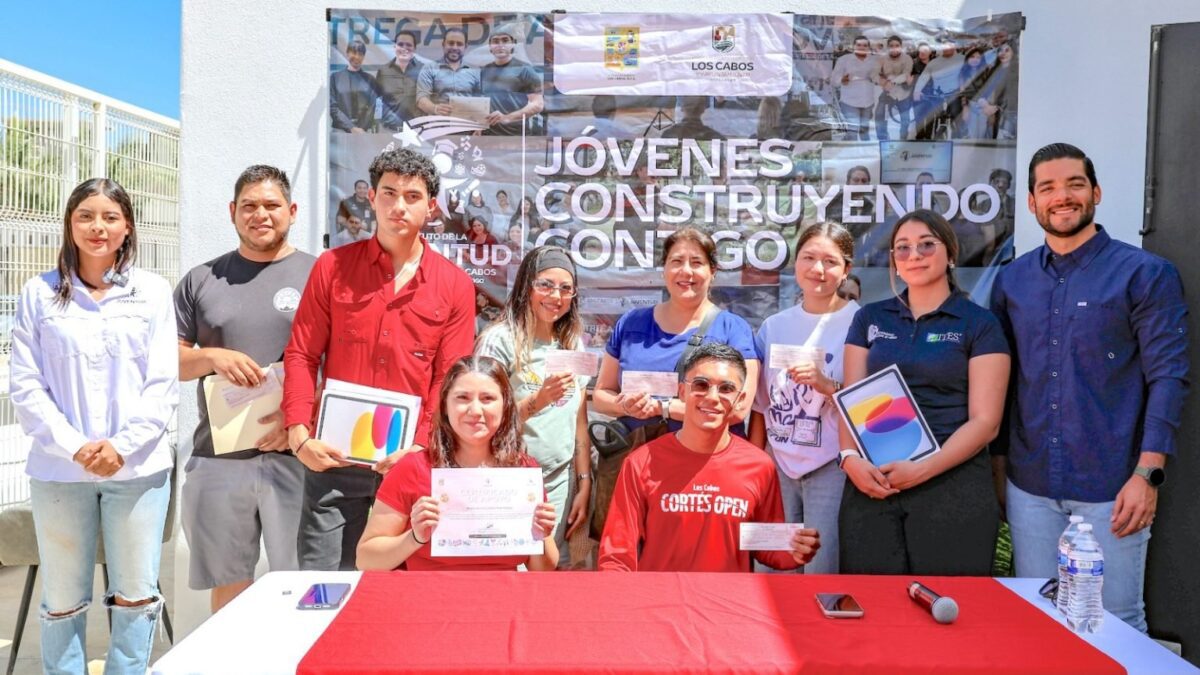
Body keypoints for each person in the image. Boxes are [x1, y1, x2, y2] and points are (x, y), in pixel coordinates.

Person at [990, 143, 1188, 632]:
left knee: (1116, 624)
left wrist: (1148, 473)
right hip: (1030, 487)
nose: (1063, 197)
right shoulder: (1012, 281)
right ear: (1033, 203)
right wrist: (999, 473)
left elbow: (1169, 376)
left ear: (1095, 192)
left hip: (1113, 486)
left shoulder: (1145, 273)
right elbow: (1004, 382)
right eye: (1048, 188)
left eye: (1074, 184)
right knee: (1040, 623)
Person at [9, 178, 177, 673]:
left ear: (127, 227)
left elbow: (162, 381)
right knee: (61, 598)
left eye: (109, 217)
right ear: (69, 224)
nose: (97, 227)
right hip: (60, 472)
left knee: (135, 595)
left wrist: (122, 447)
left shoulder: (152, 292)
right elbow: (26, 383)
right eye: (85, 215)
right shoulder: (38, 294)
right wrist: (76, 446)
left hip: (138, 469)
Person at [283, 148, 476, 571]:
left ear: (431, 207)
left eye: (411, 196)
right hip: (331, 459)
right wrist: (298, 436)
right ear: (371, 198)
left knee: (402, 597)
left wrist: (421, 445)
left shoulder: (455, 286)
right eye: (388, 193)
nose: (399, 206)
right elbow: (301, 353)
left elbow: (448, 379)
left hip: (409, 467)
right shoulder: (332, 268)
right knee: (321, 590)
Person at [838, 208, 1010, 575]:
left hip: (952, 486)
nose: (914, 255)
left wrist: (923, 469)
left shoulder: (980, 324)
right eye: (903, 248)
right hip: (874, 484)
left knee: (947, 614)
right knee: (875, 613)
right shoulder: (870, 318)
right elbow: (849, 399)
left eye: (926, 245)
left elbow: (986, 422)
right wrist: (850, 460)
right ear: (894, 261)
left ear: (950, 253)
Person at [175, 165, 315, 612]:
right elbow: (169, 361)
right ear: (233, 213)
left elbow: (343, 363)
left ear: (292, 212)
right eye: (249, 206)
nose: (261, 215)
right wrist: (212, 357)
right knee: (231, 587)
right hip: (220, 459)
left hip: (297, 456)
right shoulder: (202, 279)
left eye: (272, 205)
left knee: (303, 589)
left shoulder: (321, 275)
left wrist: (297, 425)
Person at [591, 228, 760, 536]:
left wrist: (663, 408)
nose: (686, 271)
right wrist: (624, 404)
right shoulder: (631, 323)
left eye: (696, 262)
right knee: (631, 560)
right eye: (676, 261)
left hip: (703, 475)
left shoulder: (733, 329)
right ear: (664, 269)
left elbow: (738, 410)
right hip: (635, 468)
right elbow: (601, 394)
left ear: (713, 271)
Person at [598, 343, 821, 572]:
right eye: (701, 385)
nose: (712, 397)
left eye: (726, 388)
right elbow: (617, 555)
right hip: (660, 603)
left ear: (740, 399)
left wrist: (794, 549)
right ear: (682, 392)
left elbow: (763, 544)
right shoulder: (641, 462)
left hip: (727, 604)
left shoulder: (759, 466)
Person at [356, 356, 559, 571]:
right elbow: (366, 560)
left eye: (487, 398)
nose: (475, 410)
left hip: (501, 599)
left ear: (506, 405)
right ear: (445, 405)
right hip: (431, 599)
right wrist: (414, 537)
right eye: (462, 398)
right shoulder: (414, 468)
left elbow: (544, 569)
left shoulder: (523, 471)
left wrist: (541, 535)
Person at [749, 223, 860, 574]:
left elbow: (870, 404)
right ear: (795, 264)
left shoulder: (860, 322)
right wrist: (755, 465)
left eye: (830, 261)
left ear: (847, 269)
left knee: (820, 570)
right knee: (770, 569)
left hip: (831, 466)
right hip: (776, 466)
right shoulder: (773, 326)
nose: (818, 269)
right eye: (809, 258)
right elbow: (760, 407)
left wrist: (829, 386)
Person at [475, 246, 592, 566]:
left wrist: (583, 482)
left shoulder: (572, 343)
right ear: (527, 286)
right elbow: (479, 417)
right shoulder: (499, 340)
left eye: (565, 288)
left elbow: (578, 418)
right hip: (504, 480)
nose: (556, 296)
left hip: (558, 482)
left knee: (551, 572)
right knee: (508, 571)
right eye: (545, 285)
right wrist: (537, 401)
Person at [481, 23, 544, 136]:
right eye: (495, 41)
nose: (500, 45)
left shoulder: (525, 70)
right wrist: (478, 127)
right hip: (489, 135)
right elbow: (482, 102)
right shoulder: (485, 70)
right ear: (490, 46)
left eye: (505, 40)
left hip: (516, 135)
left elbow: (537, 104)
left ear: (513, 44)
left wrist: (507, 118)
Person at [416, 27, 481, 116]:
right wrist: (435, 109)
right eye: (450, 43)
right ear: (443, 44)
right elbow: (421, 99)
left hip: (466, 126)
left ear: (465, 46)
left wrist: (479, 125)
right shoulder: (429, 68)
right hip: (438, 126)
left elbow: (481, 100)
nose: (454, 47)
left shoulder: (475, 71)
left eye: (459, 44)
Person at [376, 30, 430, 130]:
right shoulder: (383, 71)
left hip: (417, 132)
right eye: (400, 44)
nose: (404, 48)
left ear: (414, 48)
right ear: (394, 47)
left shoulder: (424, 70)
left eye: (408, 45)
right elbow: (376, 102)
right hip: (389, 131)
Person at [831, 36, 878, 141]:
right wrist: (842, 79)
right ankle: (851, 154)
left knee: (865, 131)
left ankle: (865, 154)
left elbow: (879, 77)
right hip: (849, 102)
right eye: (859, 45)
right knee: (853, 130)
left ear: (868, 47)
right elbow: (834, 80)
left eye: (865, 45)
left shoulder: (874, 60)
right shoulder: (844, 60)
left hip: (868, 102)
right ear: (853, 46)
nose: (862, 47)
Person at [330, 39, 382, 133]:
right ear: (347, 53)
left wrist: (361, 129)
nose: (357, 57)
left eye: (360, 54)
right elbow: (333, 107)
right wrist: (351, 127)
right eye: (353, 52)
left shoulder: (370, 80)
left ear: (363, 56)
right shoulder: (335, 78)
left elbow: (373, 107)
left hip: (363, 132)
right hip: (340, 131)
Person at [874, 36, 914, 140]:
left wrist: (891, 81)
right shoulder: (882, 59)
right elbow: (874, 74)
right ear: (888, 47)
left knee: (905, 120)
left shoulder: (907, 58)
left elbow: (906, 75)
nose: (894, 48)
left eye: (897, 45)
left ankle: (903, 138)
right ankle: (883, 139)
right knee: (879, 114)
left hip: (903, 94)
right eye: (891, 46)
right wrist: (881, 81)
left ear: (901, 47)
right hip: (888, 93)